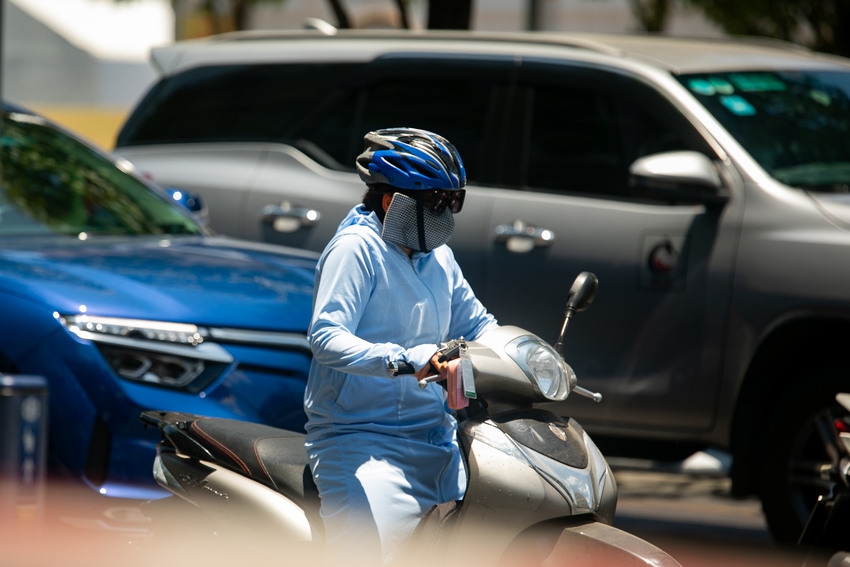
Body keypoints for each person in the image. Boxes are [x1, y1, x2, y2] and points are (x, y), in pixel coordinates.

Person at [303, 127, 498, 566]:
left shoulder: (439, 257)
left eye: (452, 202)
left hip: (438, 439)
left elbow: (480, 325)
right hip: (360, 441)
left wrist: (525, 357)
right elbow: (326, 337)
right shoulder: (356, 250)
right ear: (391, 201)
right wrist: (406, 359)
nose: (445, 214)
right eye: (435, 202)